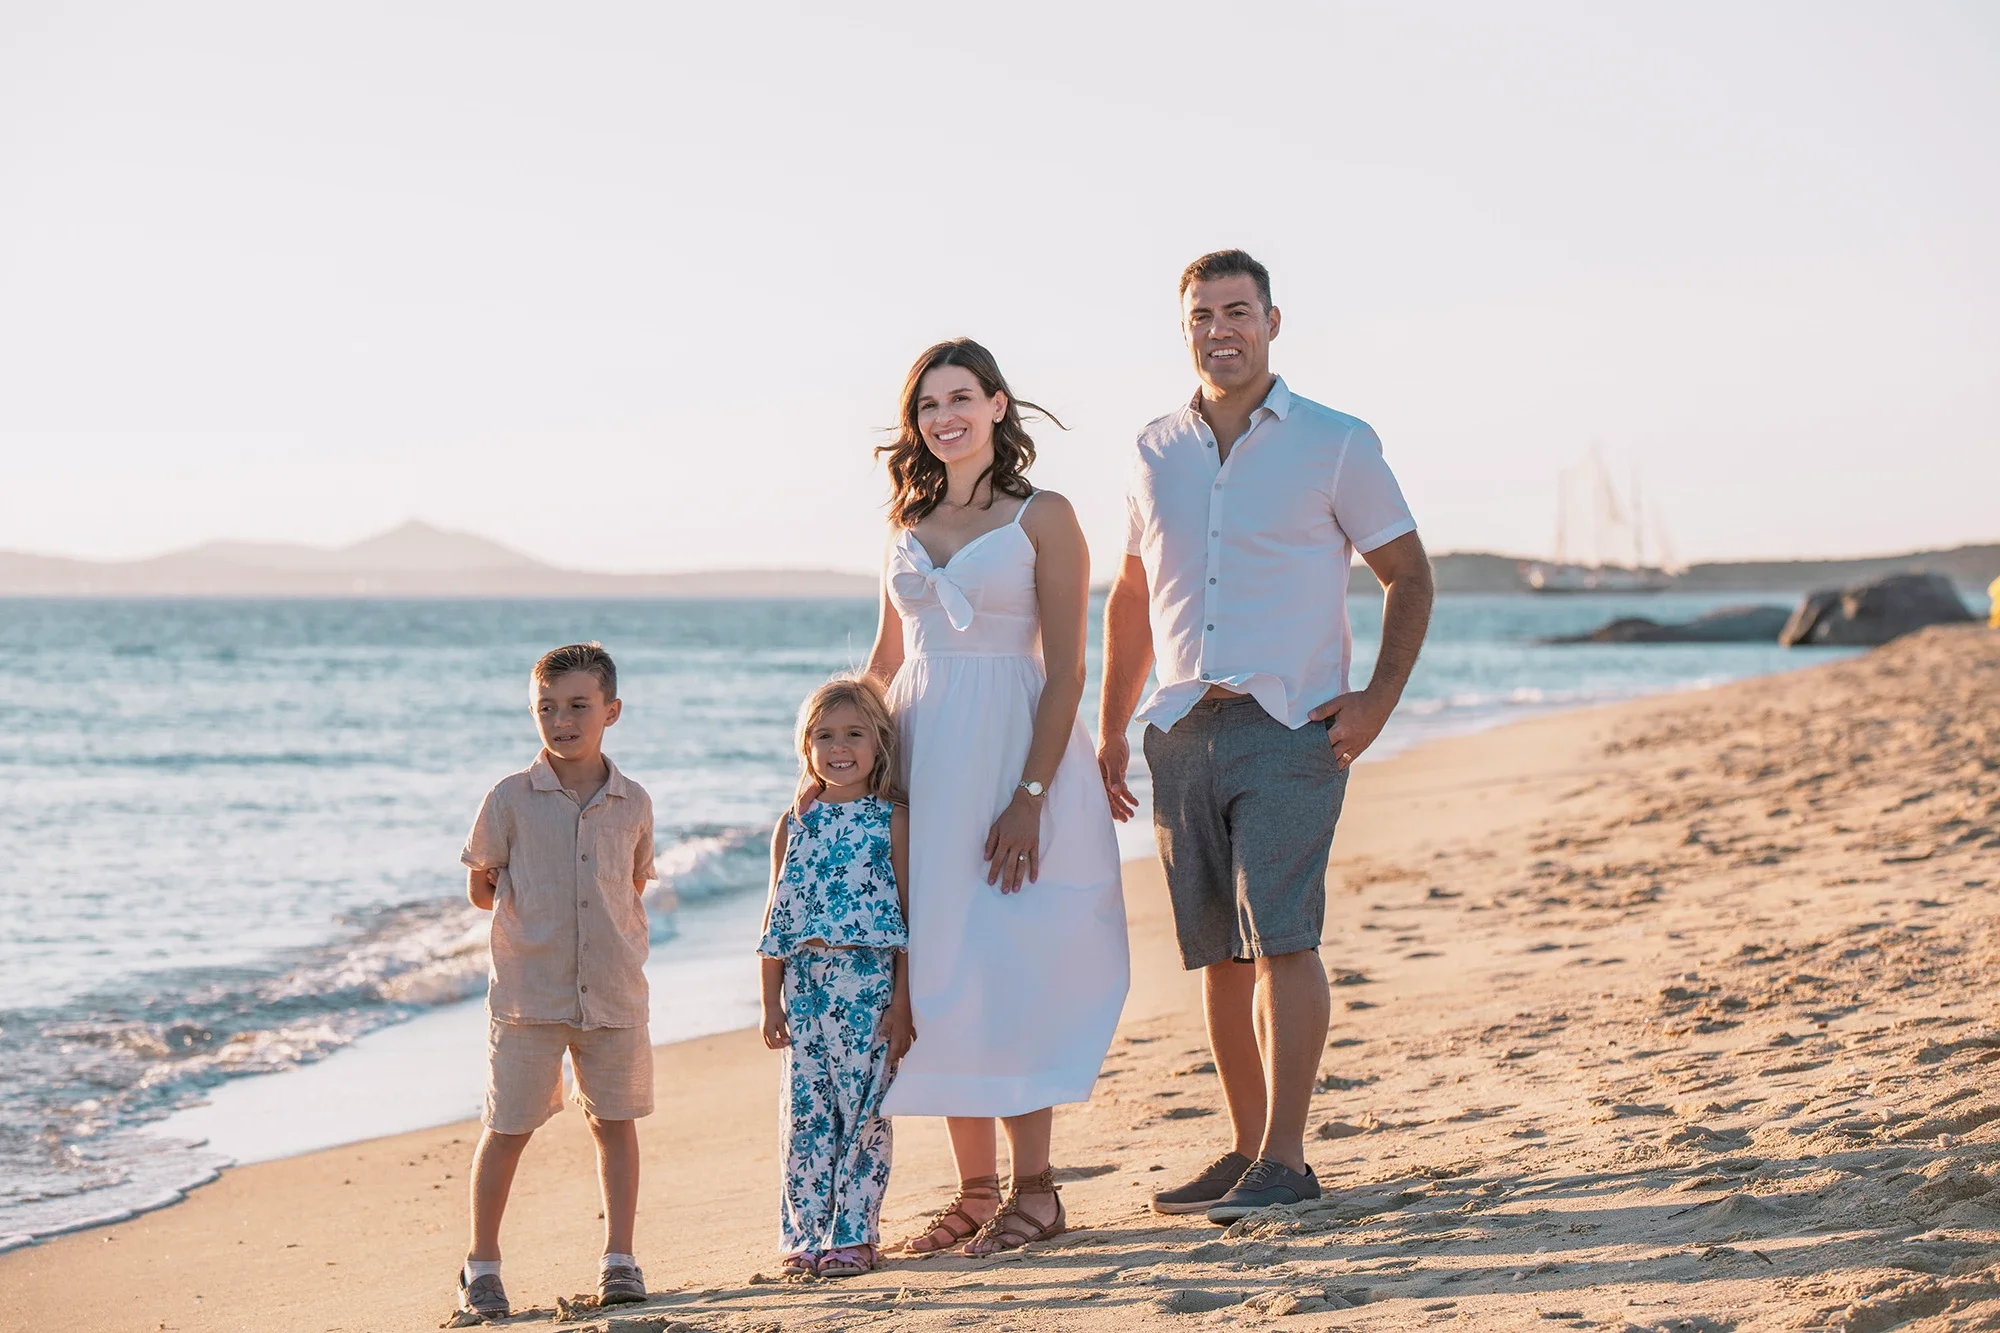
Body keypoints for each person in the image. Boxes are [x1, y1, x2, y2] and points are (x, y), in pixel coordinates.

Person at [1098, 250, 1435, 1225]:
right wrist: (1112, 727)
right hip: (1177, 728)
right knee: (1216, 953)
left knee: (1281, 935)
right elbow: (1129, 594)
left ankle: (1286, 1159)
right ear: (1185, 328)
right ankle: (1244, 1149)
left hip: (1290, 723)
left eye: (1236, 310)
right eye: (1201, 314)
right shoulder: (1150, 448)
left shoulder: (1334, 441)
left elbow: (1406, 575)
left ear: (1272, 322)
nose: (1219, 329)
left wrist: (1375, 699)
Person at [867, 338, 1130, 1255]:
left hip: (1016, 755)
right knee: (939, 961)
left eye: (961, 398)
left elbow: (1067, 672)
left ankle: (1039, 1190)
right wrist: (835, 778)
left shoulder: (1044, 517)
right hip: (919, 758)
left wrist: (1029, 795)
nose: (945, 417)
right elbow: (886, 661)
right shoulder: (904, 521)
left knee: (1012, 959)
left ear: (998, 405)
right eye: (929, 405)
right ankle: (976, 1192)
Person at [455, 642, 658, 1319]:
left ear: (612, 711)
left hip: (612, 991)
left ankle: (619, 1259)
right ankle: (481, 1265)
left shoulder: (633, 801)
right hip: (527, 997)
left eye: (577, 705)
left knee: (615, 1124)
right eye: (546, 706)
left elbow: (630, 885)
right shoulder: (508, 798)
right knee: (508, 1125)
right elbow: (481, 886)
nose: (561, 719)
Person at [757, 676, 914, 1280]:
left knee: (865, 1114)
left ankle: (855, 1233)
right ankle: (804, 1236)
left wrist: (905, 1002)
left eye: (853, 733)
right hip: (804, 986)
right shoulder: (794, 822)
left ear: (878, 743)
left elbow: (909, 917)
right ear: (805, 746)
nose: (838, 746)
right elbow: (776, 914)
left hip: (870, 986)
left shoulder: (892, 818)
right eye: (824, 735)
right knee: (806, 1117)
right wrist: (769, 1000)